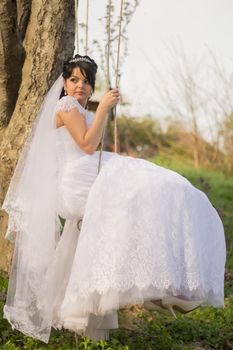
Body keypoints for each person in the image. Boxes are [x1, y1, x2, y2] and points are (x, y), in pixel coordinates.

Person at [2, 54, 226, 343]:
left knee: (154, 191)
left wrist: (106, 128)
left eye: (86, 81)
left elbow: (91, 147)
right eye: (74, 80)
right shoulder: (66, 105)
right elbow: (85, 144)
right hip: (76, 180)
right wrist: (104, 109)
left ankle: (161, 286)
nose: (80, 85)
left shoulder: (81, 110)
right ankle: (161, 287)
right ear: (65, 83)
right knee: (150, 190)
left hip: (86, 174)